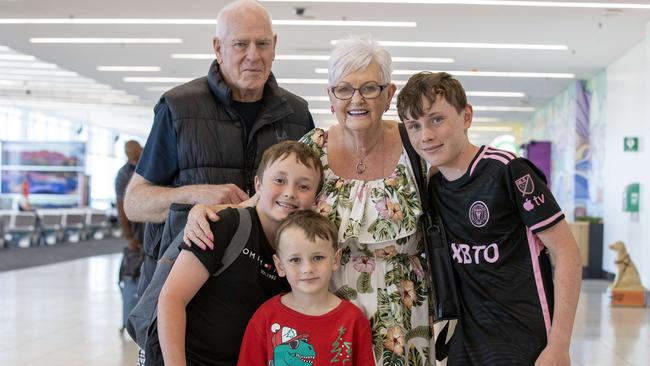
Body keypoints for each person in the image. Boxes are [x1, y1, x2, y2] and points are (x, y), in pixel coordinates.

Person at [185, 35, 447, 365]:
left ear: (388, 94)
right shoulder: (313, 147)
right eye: (344, 89)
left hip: (404, 314)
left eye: (369, 88)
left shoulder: (416, 147)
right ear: (330, 96)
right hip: (323, 314)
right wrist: (209, 212)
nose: (357, 99)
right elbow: (271, 199)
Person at [123, 0, 314, 308]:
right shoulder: (178, 108)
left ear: (274, 45)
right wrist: (197, 195)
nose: (253, 55)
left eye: (262, 44)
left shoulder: (297, 114)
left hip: (269, 298)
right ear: (218, 47)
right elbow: (134, 203)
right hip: (191, 299)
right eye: (240, 44)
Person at [396, 71, 582, 365]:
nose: (425, 135)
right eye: (414, 126)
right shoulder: (433, 185)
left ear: (466, 116)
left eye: (436, 119)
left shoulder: (507, 171)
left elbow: (567, 251)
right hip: (466, 342)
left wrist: (559, 345)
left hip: (525, 339)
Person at [156, 141, 324, 366]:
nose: (290, 193)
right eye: (279, 180)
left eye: (303, 187)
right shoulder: (225, 225)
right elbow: (172, 299)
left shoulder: (300, 253)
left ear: (315, 198)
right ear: (258, 184)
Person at [237, 210, 375, 366]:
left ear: (336, 260)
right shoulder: (265, 317)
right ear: (280, 265)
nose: (307, 268)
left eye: (318, 257)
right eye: (295, 259)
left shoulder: (353, 320)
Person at [115, 140, 145, 332]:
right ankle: (130, 318)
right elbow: (121, 209)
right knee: (133, 276)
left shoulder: (151, 163)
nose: (133, 161)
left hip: (153, 224)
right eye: (130, 158)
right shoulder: (123, 175)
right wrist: (129, 238)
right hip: (136, 230)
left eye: (136, 157)